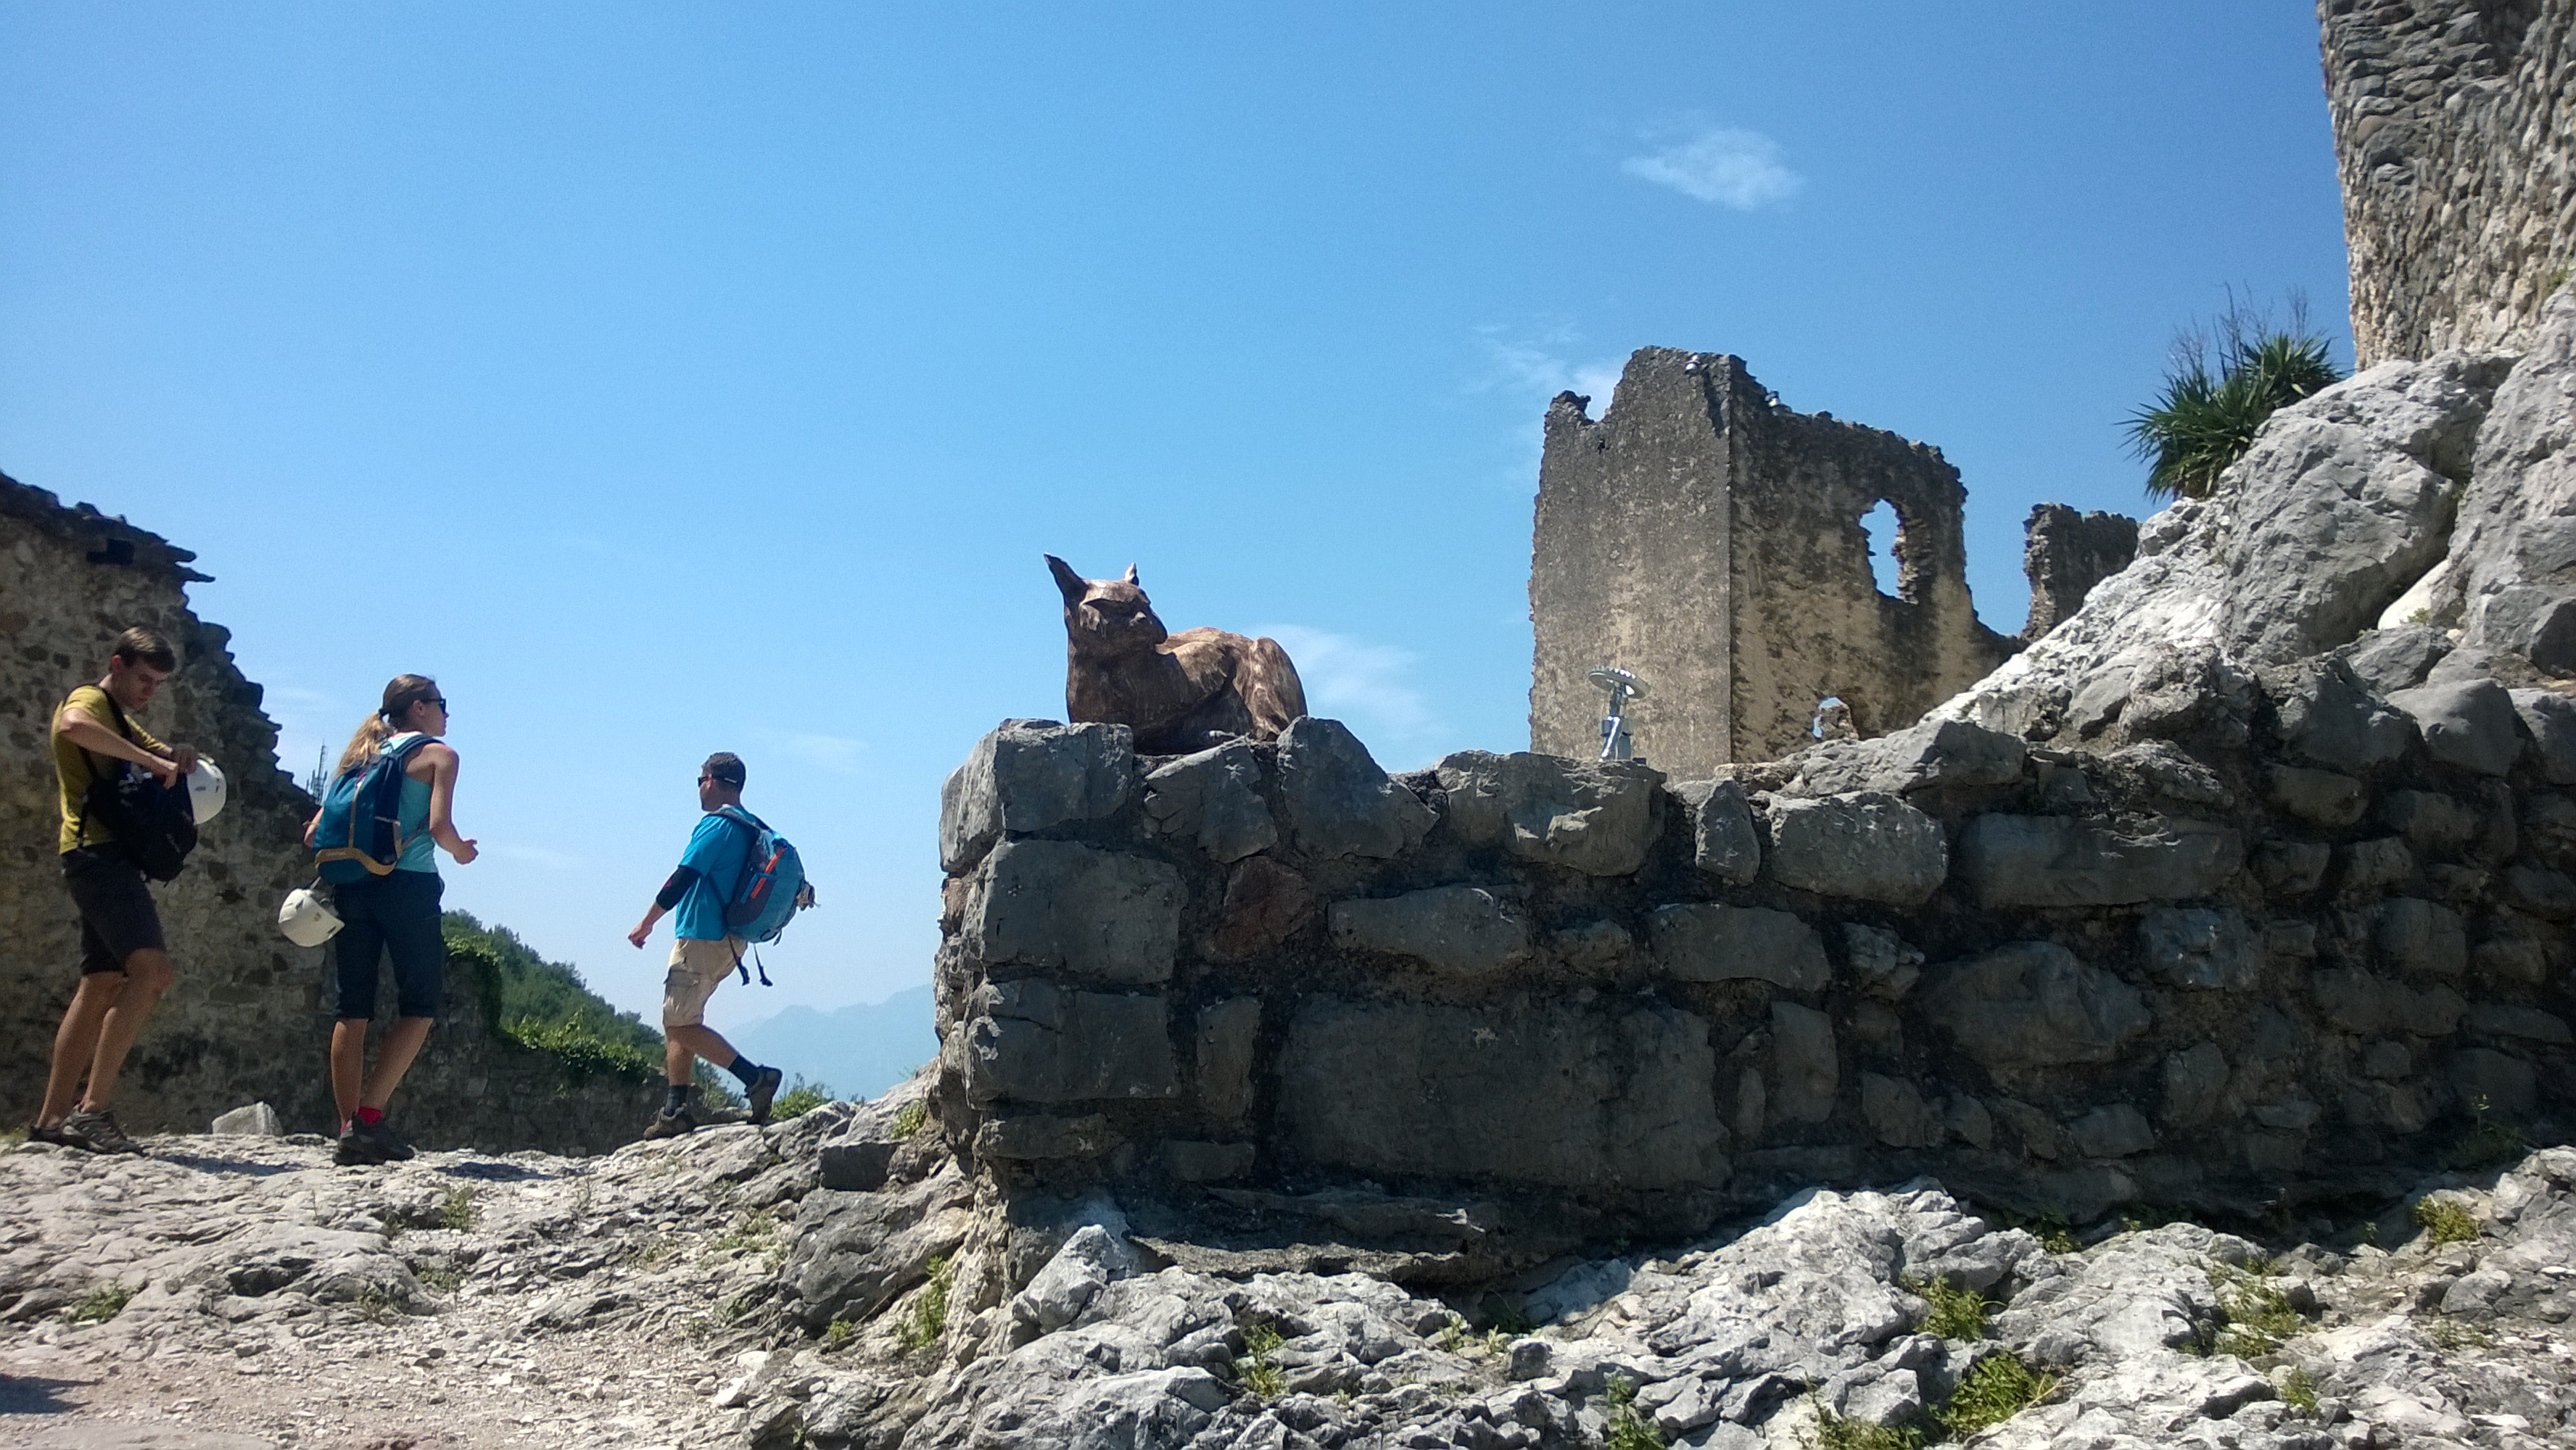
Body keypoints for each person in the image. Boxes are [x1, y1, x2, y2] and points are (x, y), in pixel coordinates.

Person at [33, 626, 200, 1154]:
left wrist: (176, 755)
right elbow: (73, 724)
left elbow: (161, 754)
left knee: (101, 983)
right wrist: (151, 761)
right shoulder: (90, 701)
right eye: (144, 679)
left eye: (159, 684)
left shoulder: (121, 720)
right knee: (153, 973)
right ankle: (93, 1110)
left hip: (96, 858)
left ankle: (51, 1120)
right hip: (98, 856)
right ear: (117, 665)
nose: (150, 691)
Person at [305, 675, 477, 1165]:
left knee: (352, 1008)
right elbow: (440, 827)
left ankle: (348, 1129)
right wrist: (462, 852)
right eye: (441, 703)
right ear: (419, 708)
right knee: (419, 1005)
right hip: (408, 886)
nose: (446, 713)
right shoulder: (439, 756)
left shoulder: (360, 755)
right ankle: (369, 1117)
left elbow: (314, 833)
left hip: (353, 885)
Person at [627, 753, 783, 1138]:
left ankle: (755, 1078)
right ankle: (674, 1109)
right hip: (733, 940)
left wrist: (647, 922)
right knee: (681, 1018)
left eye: (700, 779)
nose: (698, 788)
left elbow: (682, 877)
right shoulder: (752, 827)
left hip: (702, 936)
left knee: (679, 1022)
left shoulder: (717, 825)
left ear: (713, 780)